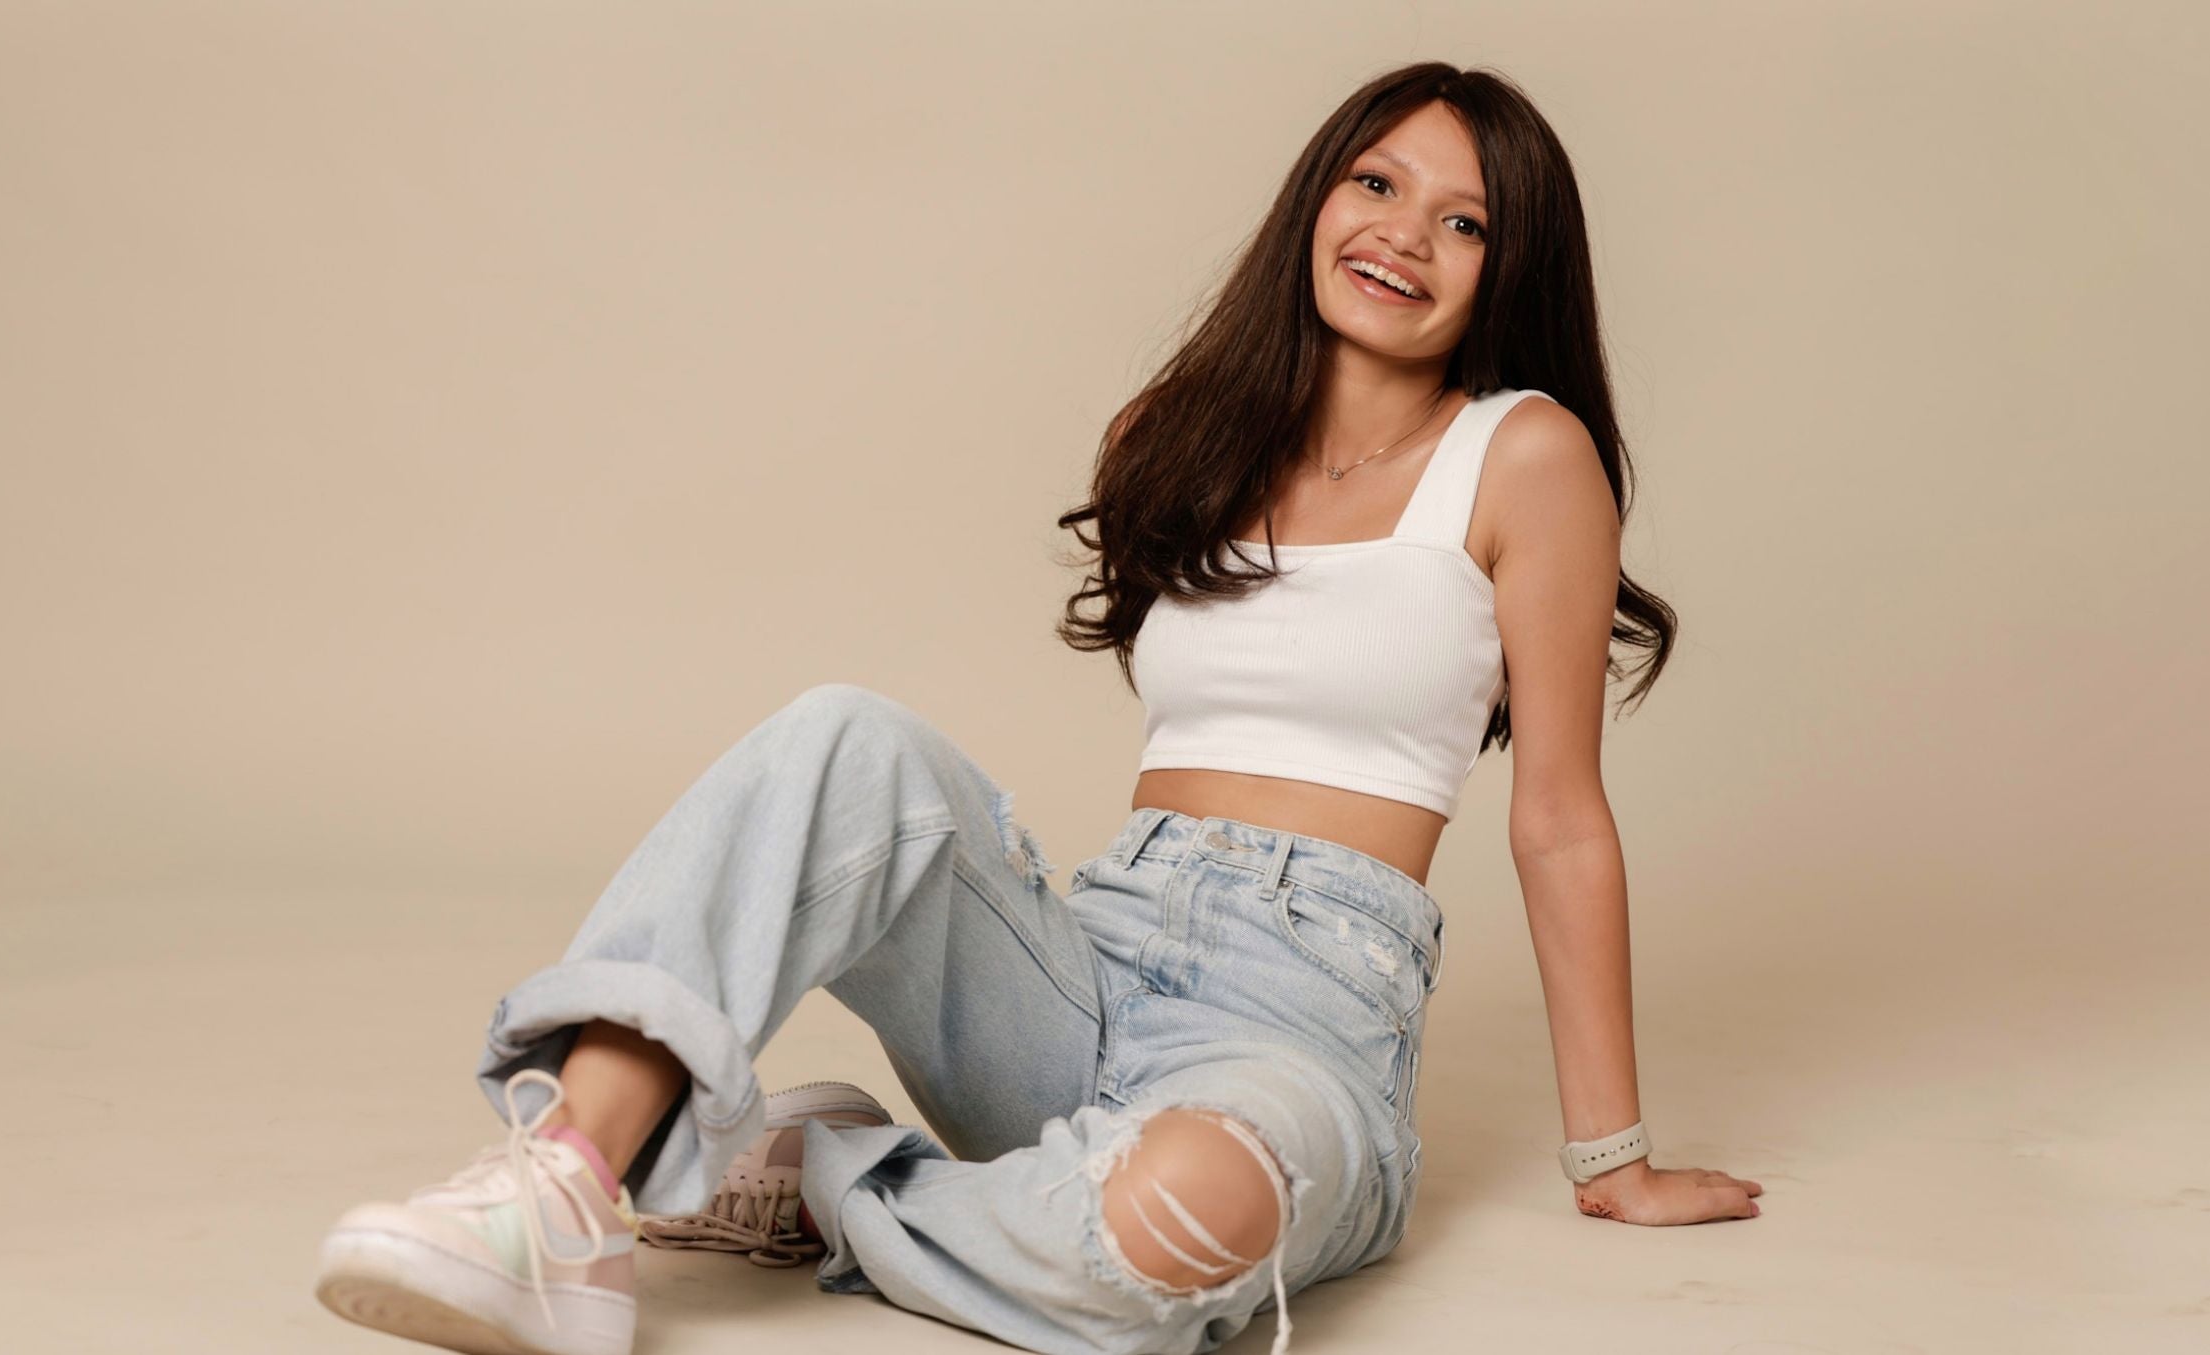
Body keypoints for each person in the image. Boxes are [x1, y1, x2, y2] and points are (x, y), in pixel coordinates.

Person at [311, 59, 1762, 1355]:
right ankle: (558, 1194)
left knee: (1164, 1240)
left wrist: (1609, 1158)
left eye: (1463, 221)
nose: (1402, 232)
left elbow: (1559, 820)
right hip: (1086, 966)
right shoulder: (1179, 431)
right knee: (844, 734)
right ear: (1313, 198)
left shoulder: (1525, 455)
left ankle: (818, 1177)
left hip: (1303, 1026)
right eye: (1375, 181)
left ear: (1504, 274)